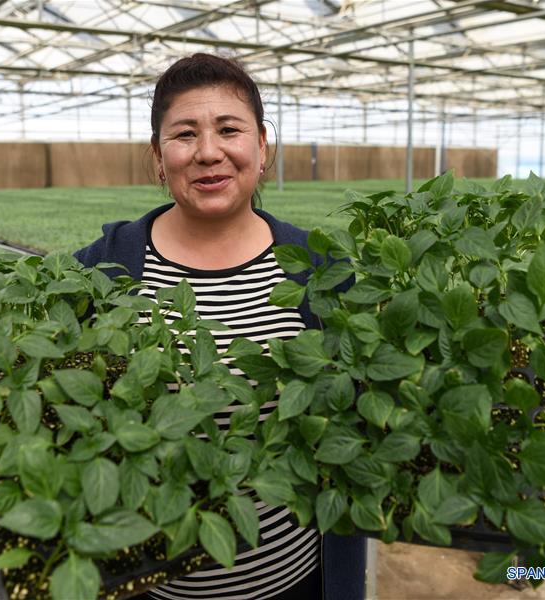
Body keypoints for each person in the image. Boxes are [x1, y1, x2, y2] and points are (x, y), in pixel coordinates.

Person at [74, 53, 365, 600]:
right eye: (184, 134)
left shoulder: (319, 267)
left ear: (263, 147)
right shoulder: (102, 269)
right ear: (158, 159)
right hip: (154, 590)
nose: (209, 152)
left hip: (296, 583)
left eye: (229, 129)